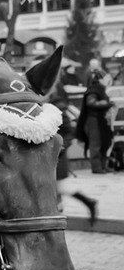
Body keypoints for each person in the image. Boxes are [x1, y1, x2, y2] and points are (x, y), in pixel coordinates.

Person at [49, 76, 98, 224]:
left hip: (58, 155)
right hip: (51, 156)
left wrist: (61, 147)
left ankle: (88, 203)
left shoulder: (57, 110)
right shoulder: (49, 107)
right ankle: (58, 214)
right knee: (54, 188)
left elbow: (69, 132)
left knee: (59, 187)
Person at [75, 71, 113, 174]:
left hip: (101, 121)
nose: (108, 80)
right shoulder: (93, 90)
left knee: (105, 143)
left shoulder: (101, 90)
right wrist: (105, 103)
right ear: (99, 79)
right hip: (93, 121)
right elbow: (91, 103)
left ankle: (103, 166)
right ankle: (97, 168)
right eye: (106, 78)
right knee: (96, 144)